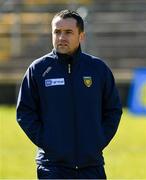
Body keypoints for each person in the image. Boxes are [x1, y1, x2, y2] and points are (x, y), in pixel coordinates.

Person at [16, 9, 122, 179]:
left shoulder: (98, 69)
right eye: (57, 32)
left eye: (68, 32)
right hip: (52, 167)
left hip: (91, 166)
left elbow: (113, 110)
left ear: (81, 36)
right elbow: (25, 112)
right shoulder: (38, 70)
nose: (61, 37)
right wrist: (48, 141)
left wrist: (98, 141)